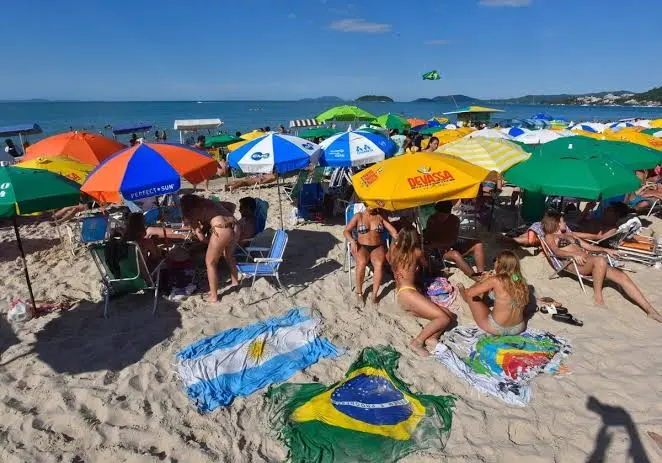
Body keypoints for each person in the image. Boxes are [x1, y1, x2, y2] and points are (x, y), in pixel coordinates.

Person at [542, 210, 662, 321]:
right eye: (562, 221)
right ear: (556, 223)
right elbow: (556, 251)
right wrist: (573, 255)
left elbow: (588, 246)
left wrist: (606, 250)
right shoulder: (550, 236)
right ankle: (598, 298)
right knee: (600, 260)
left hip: (591, 262)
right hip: (574, 264)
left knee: (622, 277)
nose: (565, 223)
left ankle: (650, 310)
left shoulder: (570, 235)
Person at [388, 226, 454, 356]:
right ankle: (417, 342)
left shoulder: (393, 250)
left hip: (403, 292)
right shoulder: (417, 252)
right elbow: (426, 265)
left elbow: (391, 259)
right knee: (443, 318)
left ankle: (432, 339)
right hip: (408, 293)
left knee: (449, 315)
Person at [180, 194, 239, 303]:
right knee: (229, 256)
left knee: (210, 262)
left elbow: (202, 238)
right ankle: (235, 282)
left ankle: (214, 296)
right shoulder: (208, 202)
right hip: (235, 225)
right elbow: (230, 206)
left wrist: (212, 244)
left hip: (221, 228)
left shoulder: (190, 213)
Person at [459, 250, 529, 335]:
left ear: (499, 264)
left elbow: (470, 293)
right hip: (519, 327)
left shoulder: (496, 280)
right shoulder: (521, 280)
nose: (494, 263)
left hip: (497, 328)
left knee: (470, 297)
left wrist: (484, 279)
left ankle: (462, 292)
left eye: (495, 260)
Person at [344, 206, 398, 305]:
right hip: (362, 246)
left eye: (374, 205)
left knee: (379, 264)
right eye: (370, 204)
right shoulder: (358, 216)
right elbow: (346, 231)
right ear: (366, 203)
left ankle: (374, 294)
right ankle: (359, 292)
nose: (372, 207)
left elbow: (393, 231)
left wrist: (397, 238)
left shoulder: (380, 216)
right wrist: (352, 241)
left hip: (377, 246)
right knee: (361, 263)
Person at [424, 200, 486, 278]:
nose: (441, 218)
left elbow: (453, 240)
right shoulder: (432, 220)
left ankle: (481, 274)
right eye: (439, 215)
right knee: (455, 254)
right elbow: (429, 240)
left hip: (451, 244)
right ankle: (475, 277)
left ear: (449, 213)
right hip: (439, 251)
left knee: (478, 244)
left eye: (444, 216)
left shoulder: (454, 220)